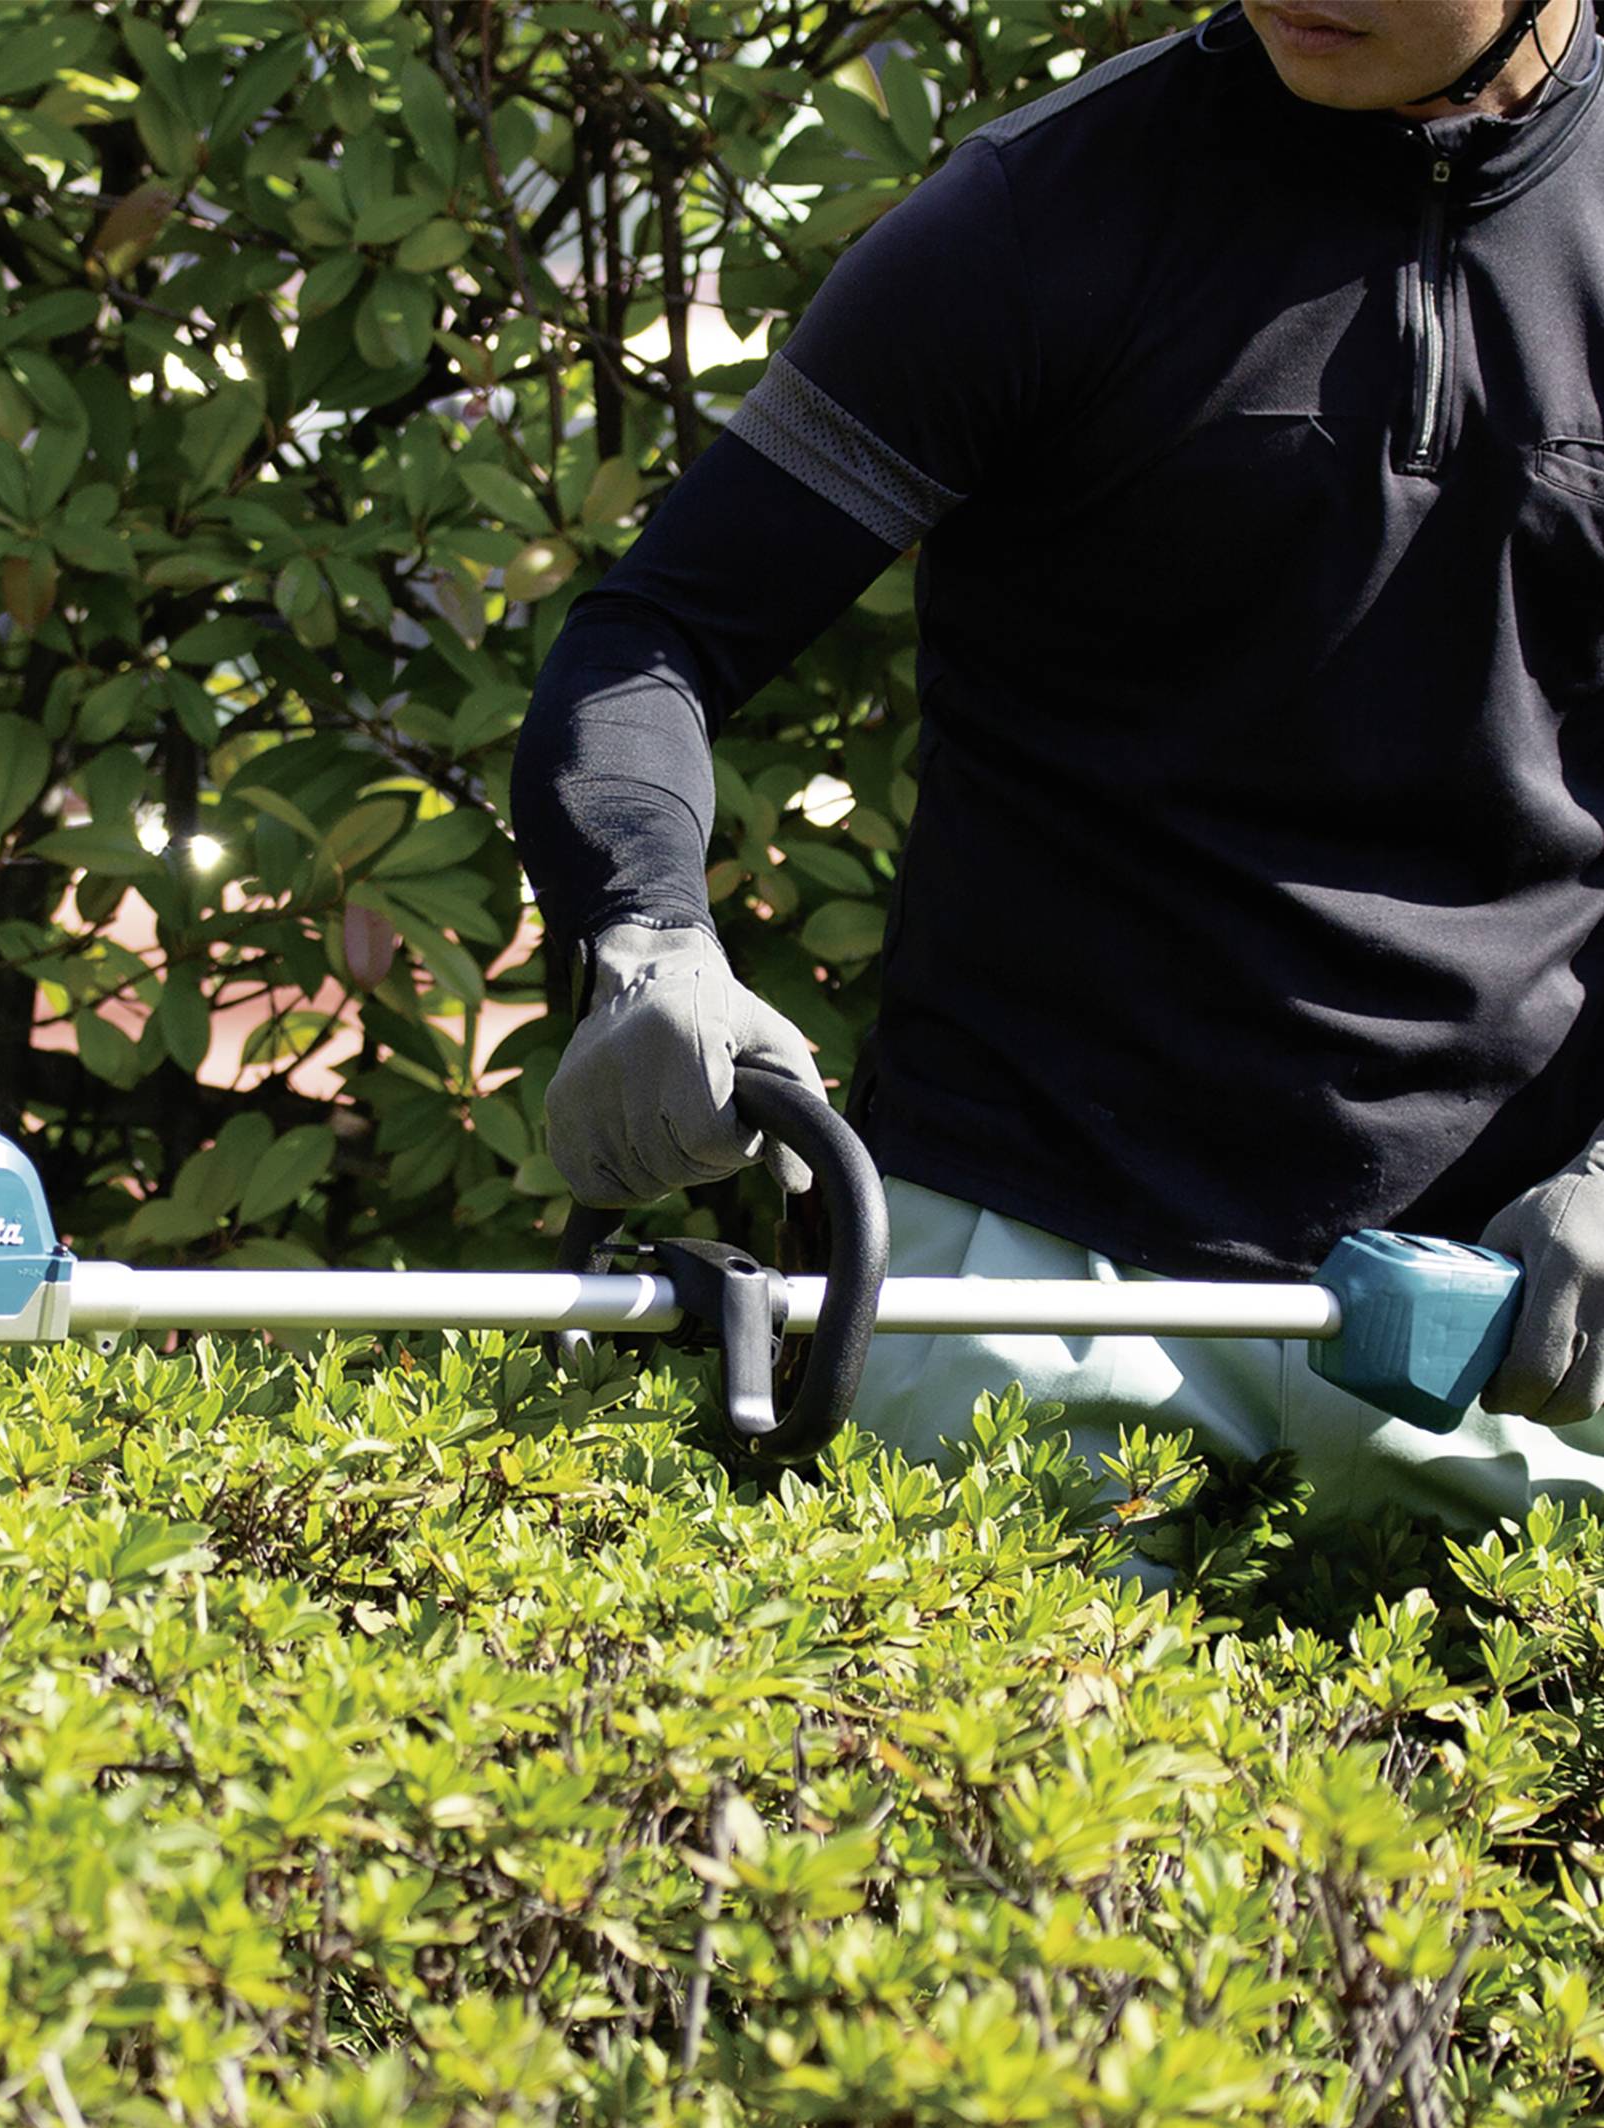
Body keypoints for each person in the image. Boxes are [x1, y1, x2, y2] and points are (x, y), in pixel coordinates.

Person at [512, 0, 1604, 1527]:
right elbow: (657, 636)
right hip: (1018, 1258)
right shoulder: (1040, 214)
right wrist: (646, 935)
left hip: (1503, 1292)